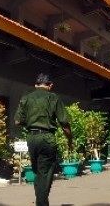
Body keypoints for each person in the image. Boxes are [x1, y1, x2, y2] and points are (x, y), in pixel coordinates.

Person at [14, 73, 73, 206]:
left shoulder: (26, 98)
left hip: (32, 138)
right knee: (45, 174)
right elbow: (64, 123)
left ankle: (41, 202)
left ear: (36, 85)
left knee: (38, 172)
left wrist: (31, 124)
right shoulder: (53, 98)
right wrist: (70, 140)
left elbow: (17, 121)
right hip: (47, 138)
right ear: (50, 85)